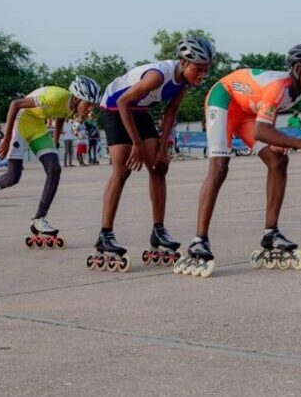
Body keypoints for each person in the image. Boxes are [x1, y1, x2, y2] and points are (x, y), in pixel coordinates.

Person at [176, 42, 301, 278]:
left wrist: (279, 141)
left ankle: (271, 232)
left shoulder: (298, 90)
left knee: (278, 161)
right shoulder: (280, 86)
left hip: (246, 111)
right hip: (224, 100)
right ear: (298, 68)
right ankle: (199, 239)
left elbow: (266, 120)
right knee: (219, 168)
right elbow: (261, 132)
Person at [88, 37, 214, 272]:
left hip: (140, 109)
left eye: (206, 71)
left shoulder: (183, 82)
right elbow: (124, 102)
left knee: (158, 168)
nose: (201, 75)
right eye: (198, 69)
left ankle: (158, 230)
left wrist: (163, 148)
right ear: (183, 63)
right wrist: (136, 143)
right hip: (117, 107)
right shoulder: (157, 76)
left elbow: (171, 111)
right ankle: (105, 234)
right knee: (122, 170)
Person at [0, 76, 100, 245]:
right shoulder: (54, 97)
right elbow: (15, 104)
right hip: (21, 120)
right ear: (77, 98)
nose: (89, 110)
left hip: (37, 126)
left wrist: (55, 140)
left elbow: (61, 115)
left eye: (92, 106)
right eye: (88, 105)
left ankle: (39, 219)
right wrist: (6, 138)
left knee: (54, 169)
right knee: (13, 176)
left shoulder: (72, 105)